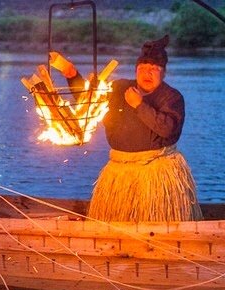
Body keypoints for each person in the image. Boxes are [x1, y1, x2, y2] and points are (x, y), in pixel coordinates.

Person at [50, 36, 202, 222]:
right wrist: (72, 74)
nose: (148, 73)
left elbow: (167, 130)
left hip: (156, 173)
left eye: (154, 69)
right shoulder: (118, 88)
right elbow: (89, 101)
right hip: (119, 172)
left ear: (163, 73)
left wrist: (139, 105)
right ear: (136, 70)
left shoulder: (172, 98)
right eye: (143, 69)